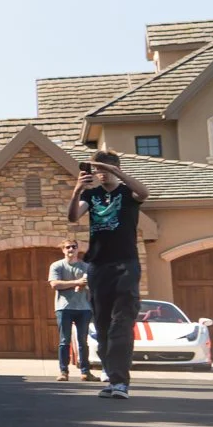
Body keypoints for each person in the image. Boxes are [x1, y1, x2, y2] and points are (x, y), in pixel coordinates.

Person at [68, 151, 150, 399]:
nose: (100, 173)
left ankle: (121, 382)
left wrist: (117, 172)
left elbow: (144, 193)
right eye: (97, 170)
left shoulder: (127, 193)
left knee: (121, 323)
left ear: (115, 169)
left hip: (125, 263)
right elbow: (73, 216)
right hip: (98, 266)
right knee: (102, 325)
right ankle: (112, 377)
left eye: (104, 169)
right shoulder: (92, 195)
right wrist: (76, 190)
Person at [50, 239, 97, 382]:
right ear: (63, 250)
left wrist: (88, 284)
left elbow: (94, 285)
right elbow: (55, 284)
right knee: (64, 341)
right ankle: (63, 372)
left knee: (83, 341)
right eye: (68, 247)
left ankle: (85, 372)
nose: (71, 249)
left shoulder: (86, 267)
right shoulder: (57, 266)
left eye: (74, 247)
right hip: (64, 308)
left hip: (84, 308)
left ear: (77, 249)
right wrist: (76, 283)